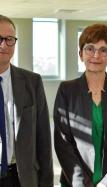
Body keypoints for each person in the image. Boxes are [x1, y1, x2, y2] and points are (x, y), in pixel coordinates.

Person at [54, 23, 107, 187]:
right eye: (90, 48)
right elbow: (63, 143)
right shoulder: (66, 90)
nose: (96, 55)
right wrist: (80, 183)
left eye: (103, 50)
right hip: (75, 182)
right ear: (81, 54)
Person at [0, 15, 53, 187]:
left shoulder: (32, 82)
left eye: (9, 39)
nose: (4, 45)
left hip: (21, 177)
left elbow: (43, 139)